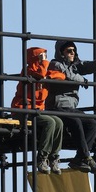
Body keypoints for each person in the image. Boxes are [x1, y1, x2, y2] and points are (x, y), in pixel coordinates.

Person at [44, 39, 96, 173]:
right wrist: (84, 80)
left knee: (92, 122)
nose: (72, 53)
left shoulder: (75, 66)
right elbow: (68, 76)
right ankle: (87, 157)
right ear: (61, 53)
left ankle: (79, 158)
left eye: (73, 50)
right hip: (56, 107)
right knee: (76, 121)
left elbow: (93, 65)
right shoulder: (55, 64)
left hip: (70, 108)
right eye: (69, 51)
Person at [10, 46, 65, 174]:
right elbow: (39, 74)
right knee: (50, 122)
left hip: (37, 110)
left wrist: (48, 77)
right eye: (42, 56)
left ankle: (54, 157)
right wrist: (44, 65)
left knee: (59, 122)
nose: (44, 59)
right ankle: (42, 157)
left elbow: (61, 76)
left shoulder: (44, 71)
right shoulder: (28, 70)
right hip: (23, 110)